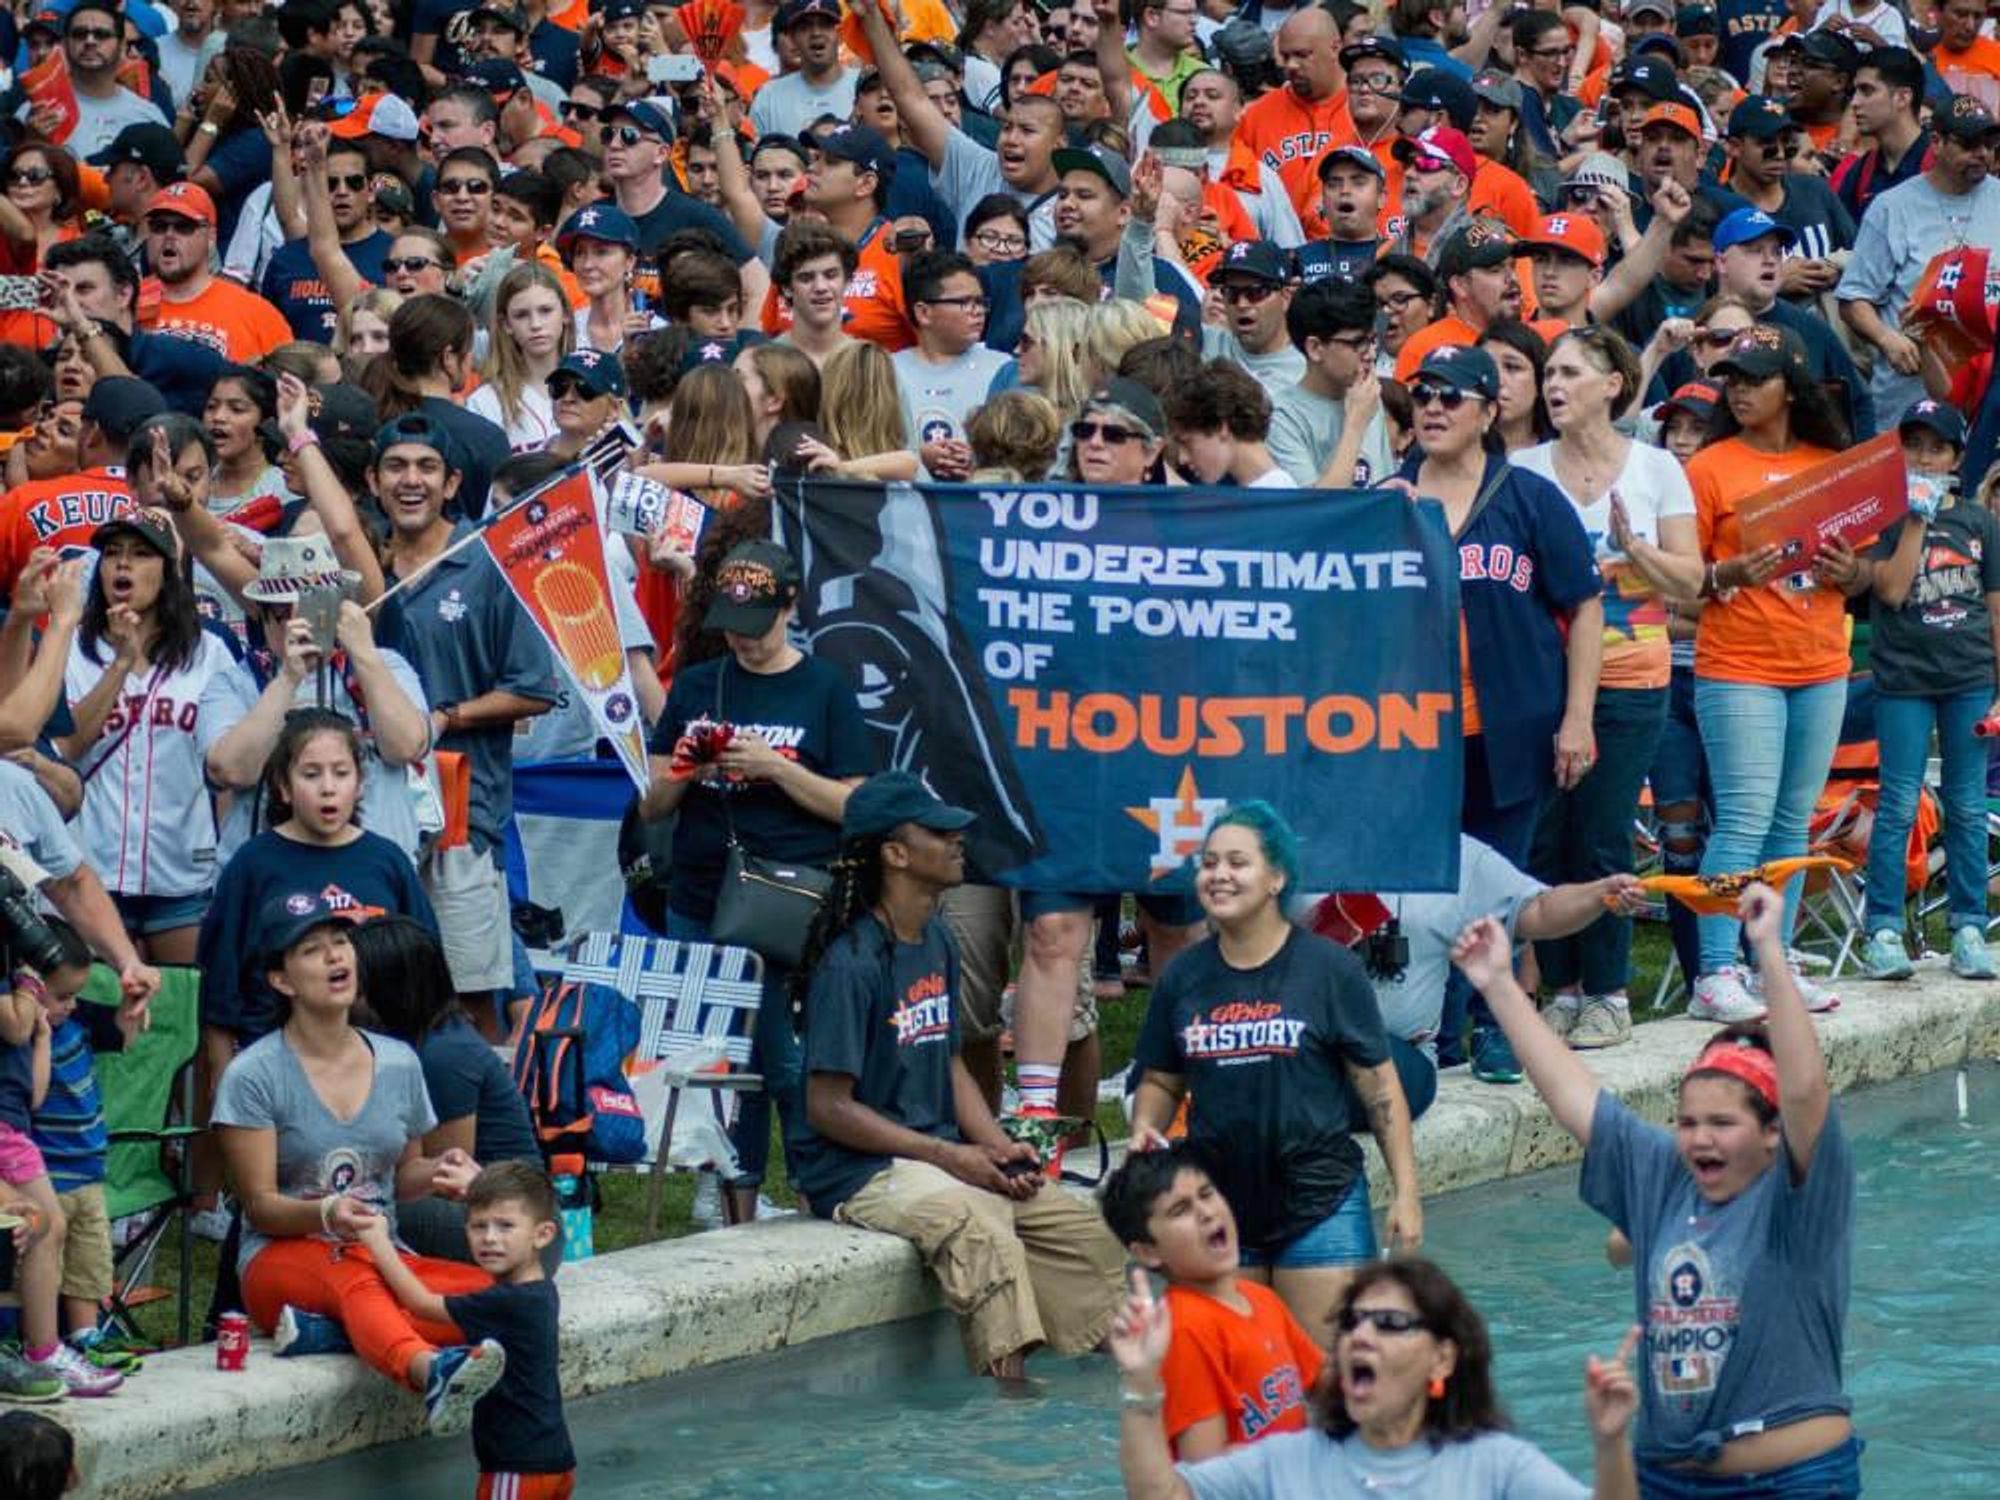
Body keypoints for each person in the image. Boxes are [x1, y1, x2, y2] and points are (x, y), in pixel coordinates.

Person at [1453, 882, 1860, 1497]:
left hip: (1791, 1479)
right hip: (1665, 1476)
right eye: (1689, 1122)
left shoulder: (1801, 1196)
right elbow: (1574, 1099)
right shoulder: (1667, 1177)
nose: (1699, 1139)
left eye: (1723, 1124)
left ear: (1774, 1133)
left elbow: (1806, 1091)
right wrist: (1499, 985)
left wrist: (1768, 949)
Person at [791, 770, 1125, 1377]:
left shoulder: (938, 940)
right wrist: (950, 1157)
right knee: (984, 1235)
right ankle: (1006, 1423)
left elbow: (946, 1061)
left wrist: (998, 1148)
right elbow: (827, 1107)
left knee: (1078, 1230)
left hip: (934, 1156)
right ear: (895, 854)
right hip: (858, 1172)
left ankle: (1120, 1394)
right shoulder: (850, 965)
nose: (957, 840)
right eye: (938, 832)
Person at [1387, 344, 1602, 1079]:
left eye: (1452, 397)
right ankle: (1432, 1039)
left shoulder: (1530, 498)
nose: (1435, 409)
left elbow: (1585, 606)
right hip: (1412, 737)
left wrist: (1579, 719)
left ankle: (1499, 1025)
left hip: (1510, 730)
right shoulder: (1389, 495)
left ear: (1488, 410)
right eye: (1423, 396)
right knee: (1422, 891)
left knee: (1502, 889)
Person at [639, 541, 871, 1222]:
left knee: (778, 1050)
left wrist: (776, 768)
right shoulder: (699, 682)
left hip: (789, 898)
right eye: (731, 625)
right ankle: (742, 1194)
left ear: (790, 605)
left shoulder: (825, 688)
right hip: (703, 892)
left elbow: (855, 804)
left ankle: (807, 1181)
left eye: (756, 623)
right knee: (724, 1056)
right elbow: (651, 804)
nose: (741, 639)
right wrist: (684, 770)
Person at [1128, 802, 1420, 1335]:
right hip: (1216, 1205)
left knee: (1330, 1386)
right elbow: (1160, 1079)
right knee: (1237, 1382)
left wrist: (1406, 1191)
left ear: (1276, 878)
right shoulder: (1183, 977)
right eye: (1209, 863)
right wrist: (1145, 1127)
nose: (1219, 875)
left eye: (1237, 863)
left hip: (1320, 1200)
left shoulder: (1330, 969)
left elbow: (1378, 1086)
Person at [214, 893, 504, 1430]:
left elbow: (402, 1175)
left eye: (341, 943)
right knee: (355, 1279)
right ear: (281, 980)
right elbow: (259, 1208)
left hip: (382, 1252)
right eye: (312, 950)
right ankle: (426, 1373)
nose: (335, 958)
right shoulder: (253, 1074)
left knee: (505, 1299)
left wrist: (444, 1172)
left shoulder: (399, 1062)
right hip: (281, 1258)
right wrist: (327, 1214)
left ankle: (328, 1330)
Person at [1515, 327, 1702, 1048]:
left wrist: (1635, 549)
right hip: (1543, 681)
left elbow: (1691, 581)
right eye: (1548, 374)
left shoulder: (1655, 469)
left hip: (1631, 679)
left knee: (1601, 836)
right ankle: (1562, 987)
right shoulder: (1526, 469)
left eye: (1568, 372)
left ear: (1611, 385)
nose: (1553, 385)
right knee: (1542, 841)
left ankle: (1609, 993)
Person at [1109, 1255, 1641, 1500]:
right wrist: (1140, 1385)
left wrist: (1610, 1442)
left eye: (1389, 1324)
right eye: (1352, 1322)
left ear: (1442, 1360)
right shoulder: (1289, 1462)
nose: (1361, 1336)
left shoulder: (1495, 1465)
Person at [1682, 325, 1856, 1021]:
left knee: (1791, 823)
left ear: (1792, 387)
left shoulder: (1832, 463)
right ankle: (1715, 973)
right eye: (1733, 379)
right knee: (1745, 819)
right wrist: (1727, 572)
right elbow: (1673, 579)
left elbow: (1866, 568)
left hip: (1822, 660)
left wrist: (1856, 570)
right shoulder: (1708, 467)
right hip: (1740, 663)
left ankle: (1771, 968)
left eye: (1755, 377)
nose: (1741, 390)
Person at [1858, 401, 2000, 982]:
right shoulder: (1883, 519)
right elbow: (1890, 591)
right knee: (1897, 803)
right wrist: (1915, 518)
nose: (1922, 457)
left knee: (1967, 806)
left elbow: (1995, 610)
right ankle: (1884, 931)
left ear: (1956, 458)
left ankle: (1970, 927)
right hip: (1904, 682)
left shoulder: (1979, 521)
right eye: (1912, 445)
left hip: (1969, 677)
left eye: (1935, 447)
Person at [58, 507, 237, 967]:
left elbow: (230, 763)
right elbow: (67, 749)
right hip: (92, 869)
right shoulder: (73, 648)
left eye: (140, 554)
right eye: (113, 553)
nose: (122, 564)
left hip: (183, 871)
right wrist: (120, 664)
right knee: (103, 1022)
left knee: (185, 1018)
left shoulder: (209, 653)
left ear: (168, 569)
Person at [197, 708, 437, 1048]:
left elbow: (427, 972)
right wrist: (223, 1078)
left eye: (341, 773)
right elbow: (219, 993)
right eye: (311, 774)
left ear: (359, 784)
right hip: (274, 1058)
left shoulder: (388, 860)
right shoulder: (252, 864)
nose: (328, 788)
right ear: (283, 786)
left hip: (378, 1058)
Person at [356, 1160, 575, 1499]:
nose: (489, 1238)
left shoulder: (507, 1301)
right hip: (553, 1459)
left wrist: (378, 1242)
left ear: (543, 1234)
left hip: (517, 1467)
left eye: (505, 1226)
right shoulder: (539, 1292)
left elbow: (420, 1304)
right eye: (478, 1226)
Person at [1098, 1146, 1323, 1461]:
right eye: (1180, 1210)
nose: (1206, 1212)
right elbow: (1207, 1469)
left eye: (1207, 1193)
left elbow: (1325, 1384)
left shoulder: (1261, 1298)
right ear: (1148, 1252)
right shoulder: (1185, 1329)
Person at [350, 917, 549, 1262]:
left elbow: (446, 1179)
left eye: (355, 985)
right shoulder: (423, 1042)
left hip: (512, 1224)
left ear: (387, 988)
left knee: (364, 1214)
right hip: (496, 1212)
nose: (348, 997)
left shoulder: (442, 1055)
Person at [1, 935, 123, 1399]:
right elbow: (14, 1027)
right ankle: (41, 1350)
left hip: (13, 1130)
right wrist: (30, 985)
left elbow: (31, 1094)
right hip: (6, 1135)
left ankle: (40, 1350)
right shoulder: (20, 991)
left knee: (39, 1227)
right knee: (41, 1226)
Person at [1837, 94, 2000, 436]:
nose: (1982, 153)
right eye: (1969, 144)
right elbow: (1853, 298)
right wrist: (1886, 339)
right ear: (1936, 142)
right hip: (1910, 395)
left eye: (1989, 143)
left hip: (1988, 393)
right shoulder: (1892, 207)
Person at [894, 249, 1009, 480]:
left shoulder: (1004, 368)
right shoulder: (886, 370)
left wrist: (979, 461)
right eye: (965, 302)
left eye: (980, 302)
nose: (977, 312)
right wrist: (918, 459)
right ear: (924, 312)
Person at [468, 264, 574, 453]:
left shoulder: (595, 385)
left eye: (545, 310)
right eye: (521, 315)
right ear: (506, 324)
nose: (535, 324)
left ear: (565, 314)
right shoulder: (485, 402)